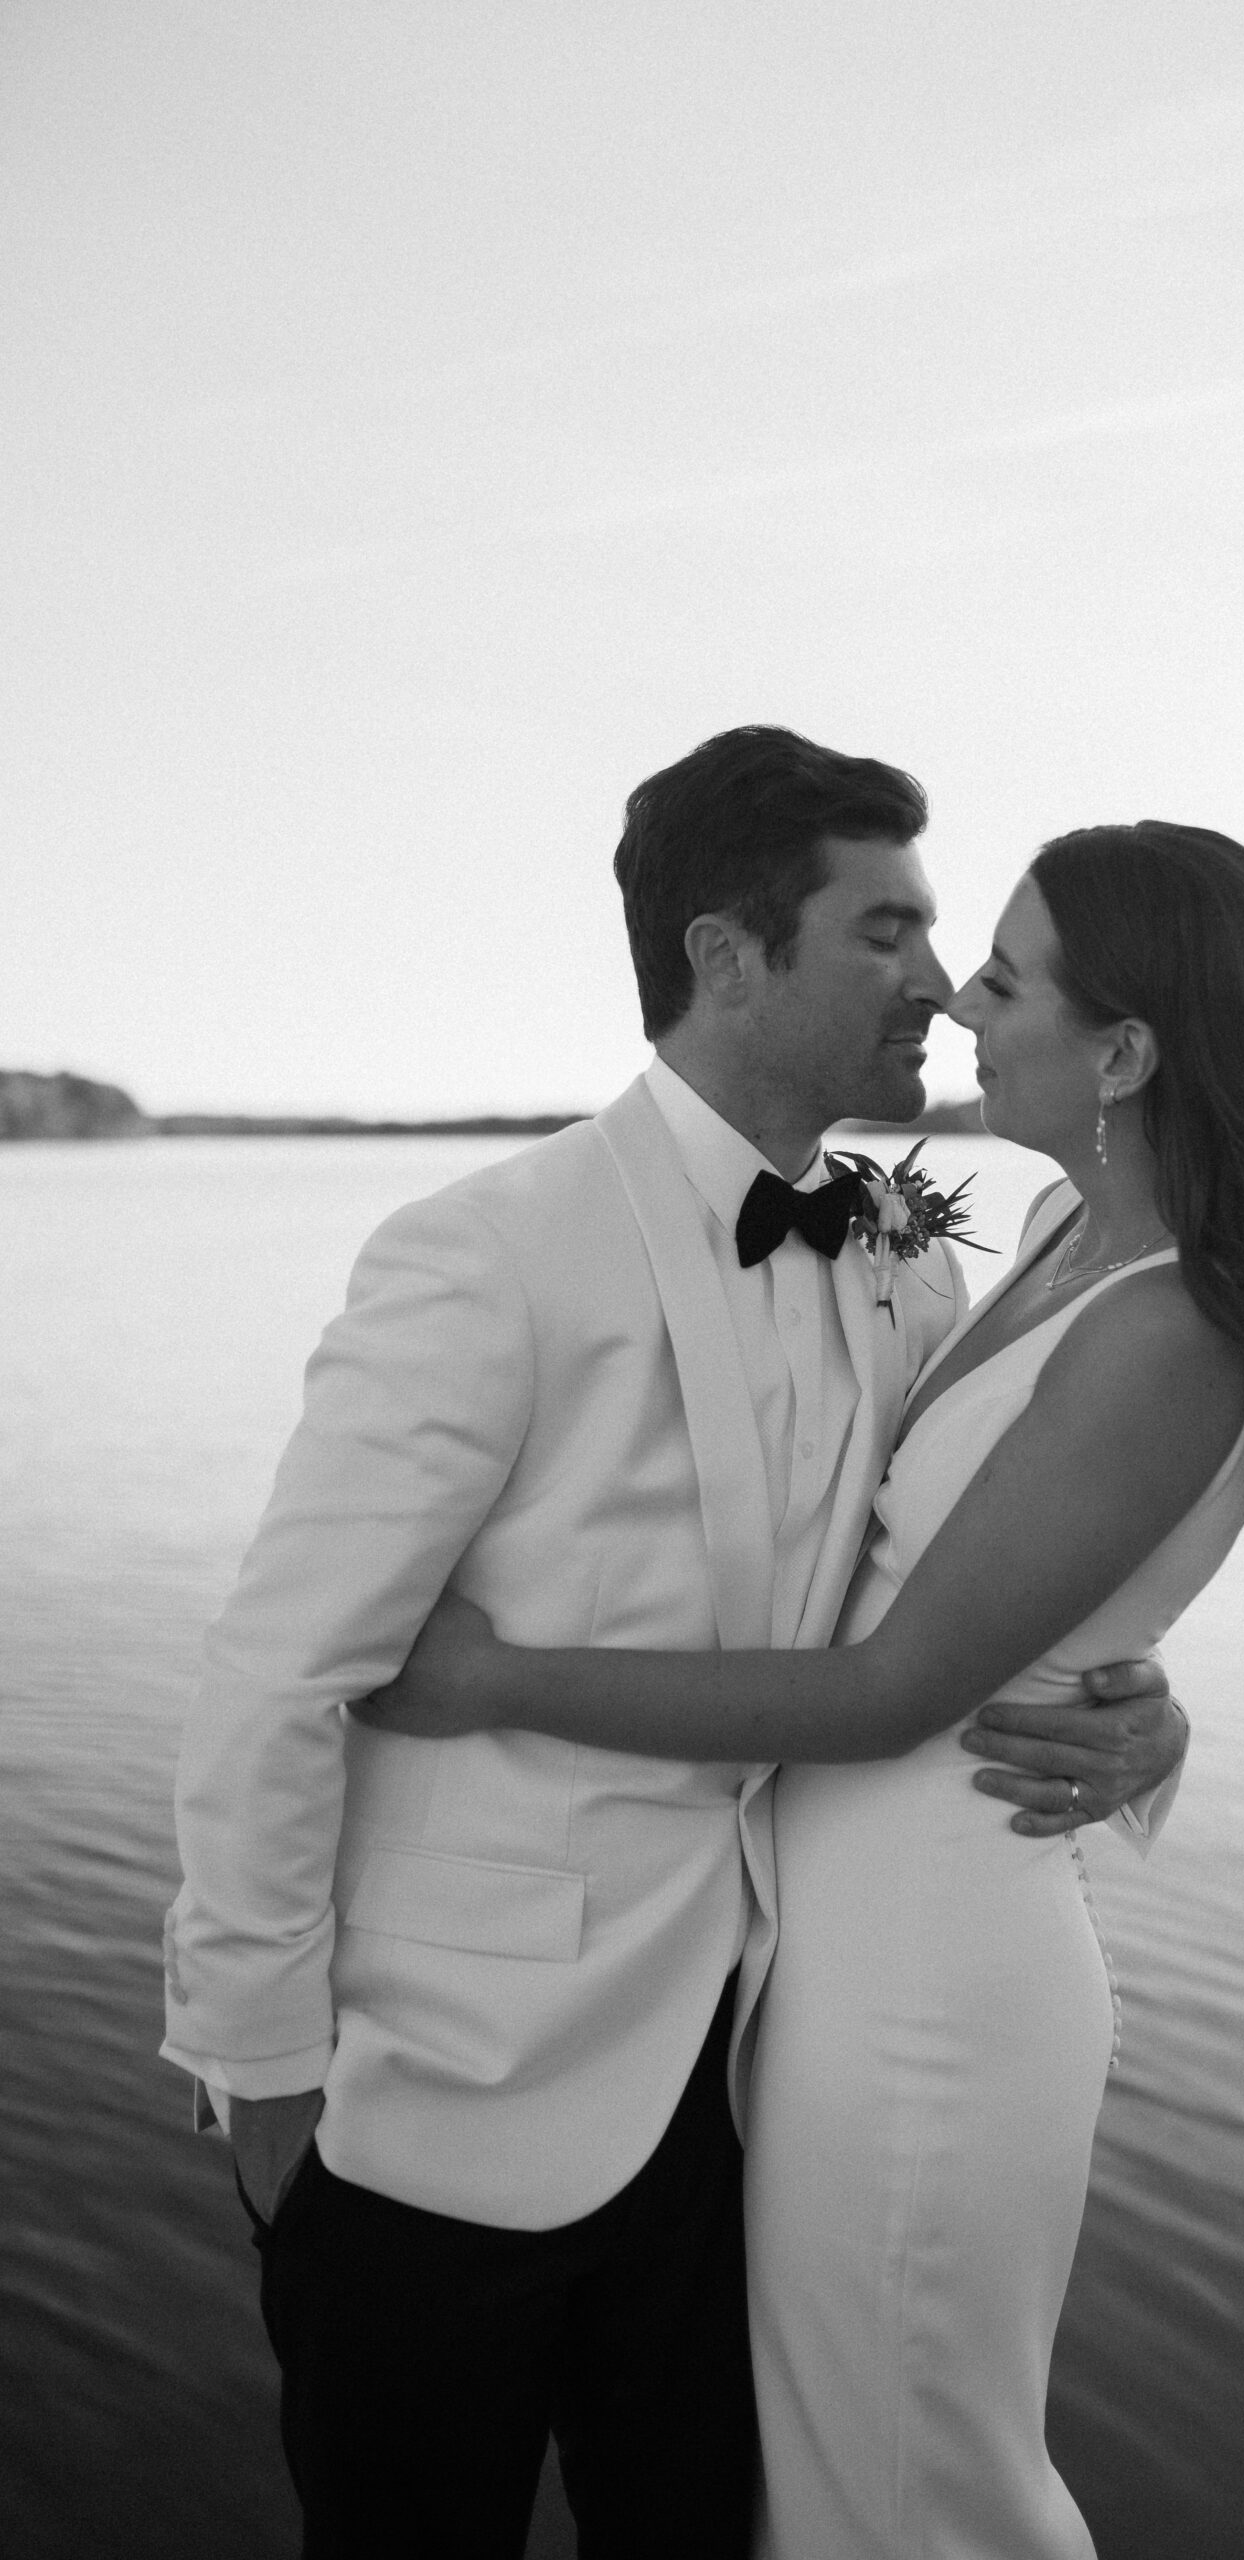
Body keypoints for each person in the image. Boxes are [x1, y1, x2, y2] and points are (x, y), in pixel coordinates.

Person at [160, 729, 1187, 2559]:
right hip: (435, 2116)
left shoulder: (915, 1261)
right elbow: (277, 1681)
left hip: (752, 2097)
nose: (940, 986)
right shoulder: (489, 1251)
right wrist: (267, 2100)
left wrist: (1135, 1706)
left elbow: (942, 1591)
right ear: (728, 957)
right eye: (887, 932)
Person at [358, 818, 1244, 2560]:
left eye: (1002, 976)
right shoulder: (1066, 1228)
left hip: (933, 1981)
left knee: (919, 2495)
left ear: (1125, 1051)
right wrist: (1145, 1709)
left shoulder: (1172, 1328)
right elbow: (1023, 1580)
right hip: (836, 1950)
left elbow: (894, 1685)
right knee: (835, 2477)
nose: (956, 1002)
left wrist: (496, 1678)